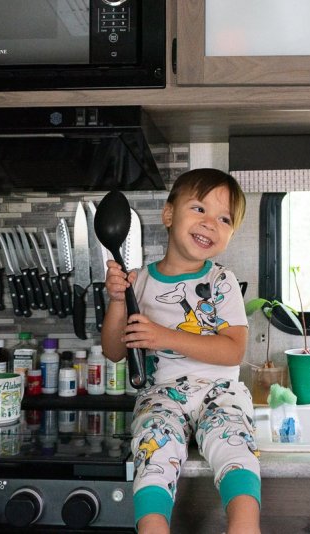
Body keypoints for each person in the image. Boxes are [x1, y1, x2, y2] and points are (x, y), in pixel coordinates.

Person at [102, 168, 260, 534]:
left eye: (224, 219)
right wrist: (115, 301)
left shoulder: (221, 282)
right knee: (153, 454)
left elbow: (233, 350)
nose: (210, 224)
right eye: (199, 209)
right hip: (161, 397)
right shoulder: (138, 281)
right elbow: (112, 350)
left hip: (219, 394)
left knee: (234, 443)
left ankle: (245, 528)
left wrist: (165, 336)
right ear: (169, 214)